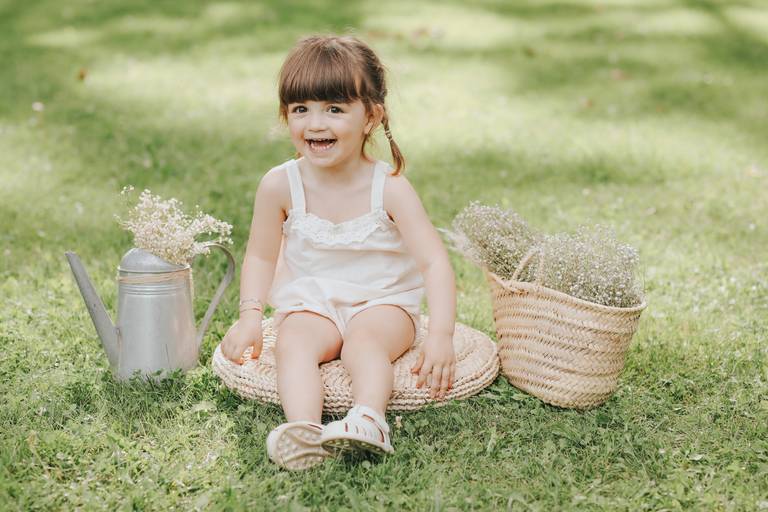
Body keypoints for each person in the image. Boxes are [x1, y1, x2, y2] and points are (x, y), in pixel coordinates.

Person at [220, 34, 456, 470]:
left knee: (362, 344)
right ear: (285, 116)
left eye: (334, 109)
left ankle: (369, 417)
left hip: (383, 303)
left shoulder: (390, 188)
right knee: (292, 342)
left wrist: (440, 335)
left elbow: (434, 262)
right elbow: (260, 256)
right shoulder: (279, 184)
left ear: (371, 116)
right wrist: (251, 316)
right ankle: (304, 431)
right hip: (313, 301)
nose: (315, 124)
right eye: (300, 109)